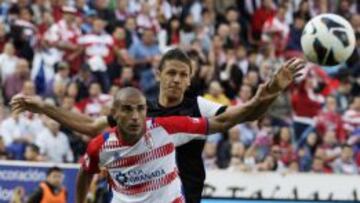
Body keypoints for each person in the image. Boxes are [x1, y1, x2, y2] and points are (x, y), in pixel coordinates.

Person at [11, 49, 305, 203]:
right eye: (172, 73)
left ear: (190, 79)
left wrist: (272, 90)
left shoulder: (197, 107)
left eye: (183, 75)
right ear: (159, 74)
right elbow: (91, 125)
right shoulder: (137, 110)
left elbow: (245, 115)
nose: (177, 79)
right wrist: (44, 106)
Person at [77, 79, 301, 202]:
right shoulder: (101, 145)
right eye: (127, 110)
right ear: (114, 113)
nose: (135, 116)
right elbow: (86, 172)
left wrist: (261, 98)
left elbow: (222, 122)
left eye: (140, 109)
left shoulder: (165, 128)